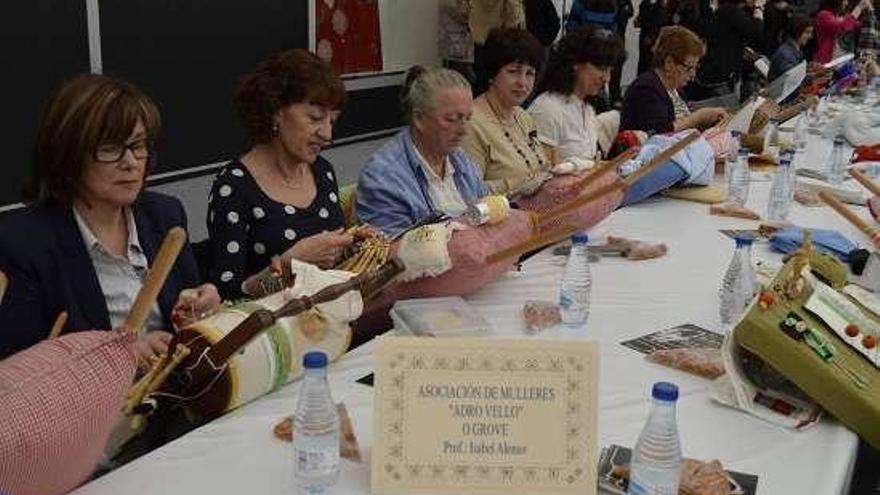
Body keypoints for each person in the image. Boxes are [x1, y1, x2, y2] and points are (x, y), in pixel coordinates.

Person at [0, 74, 219, 360]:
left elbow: (186, 314)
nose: (130, 162)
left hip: (171, 394)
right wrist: (121, 358)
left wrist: (200, 307)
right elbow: (23, 369)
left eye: (138, 145)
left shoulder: (165, 215)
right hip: (92, 403)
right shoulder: (24, 243)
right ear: (69, 154)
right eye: (110, 148)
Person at [207, 49, 352, 300]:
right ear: (276, 111)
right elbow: (228, 297)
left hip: (333, 316)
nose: (327, 134)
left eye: (333, 121)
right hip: (277, 331)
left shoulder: (322, 171)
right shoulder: (233, 187)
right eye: (315, 118)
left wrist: (354, 244)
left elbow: (335, 264)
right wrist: (289, 267)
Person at [356, 67, 486, 236]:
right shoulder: (382, 176)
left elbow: (486, 213)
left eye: (467, 118)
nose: (464, 130)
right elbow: (393, 253)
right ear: (419, 119)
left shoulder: (460, 159)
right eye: (452, 119)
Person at [461, 28, 551, 195]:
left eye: (530, 73)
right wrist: (527, 182)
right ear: (492, 73)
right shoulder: (470, 122)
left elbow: (541, 168)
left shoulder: (523, 117)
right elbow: (470, 193)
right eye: (513, 71)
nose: (522, 82)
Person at [528, 26, 627, 165]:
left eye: (610, 71)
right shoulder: (547, 108)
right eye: (601, 69)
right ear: (576, 63)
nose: (607, 78)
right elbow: (542, 175)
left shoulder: (587, 109)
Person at [621, 26, 729, 134]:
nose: (693, 75)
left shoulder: (675, 90)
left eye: (695, 68)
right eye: (688, 68)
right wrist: (698, 118)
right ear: (669, 63)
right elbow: (659, 135)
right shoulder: (645, 90)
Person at [689, 0, 766, 101]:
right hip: (722, 78)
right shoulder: (730, 11)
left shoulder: (720, 10)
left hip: (713, 74)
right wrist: (758, 8)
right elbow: (756, 34)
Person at [769, 13, 814, 80]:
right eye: (807, 32)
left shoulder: (794, 50)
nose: (810, 36)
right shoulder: (786, 55)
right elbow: (793, 80)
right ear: (797, 31)